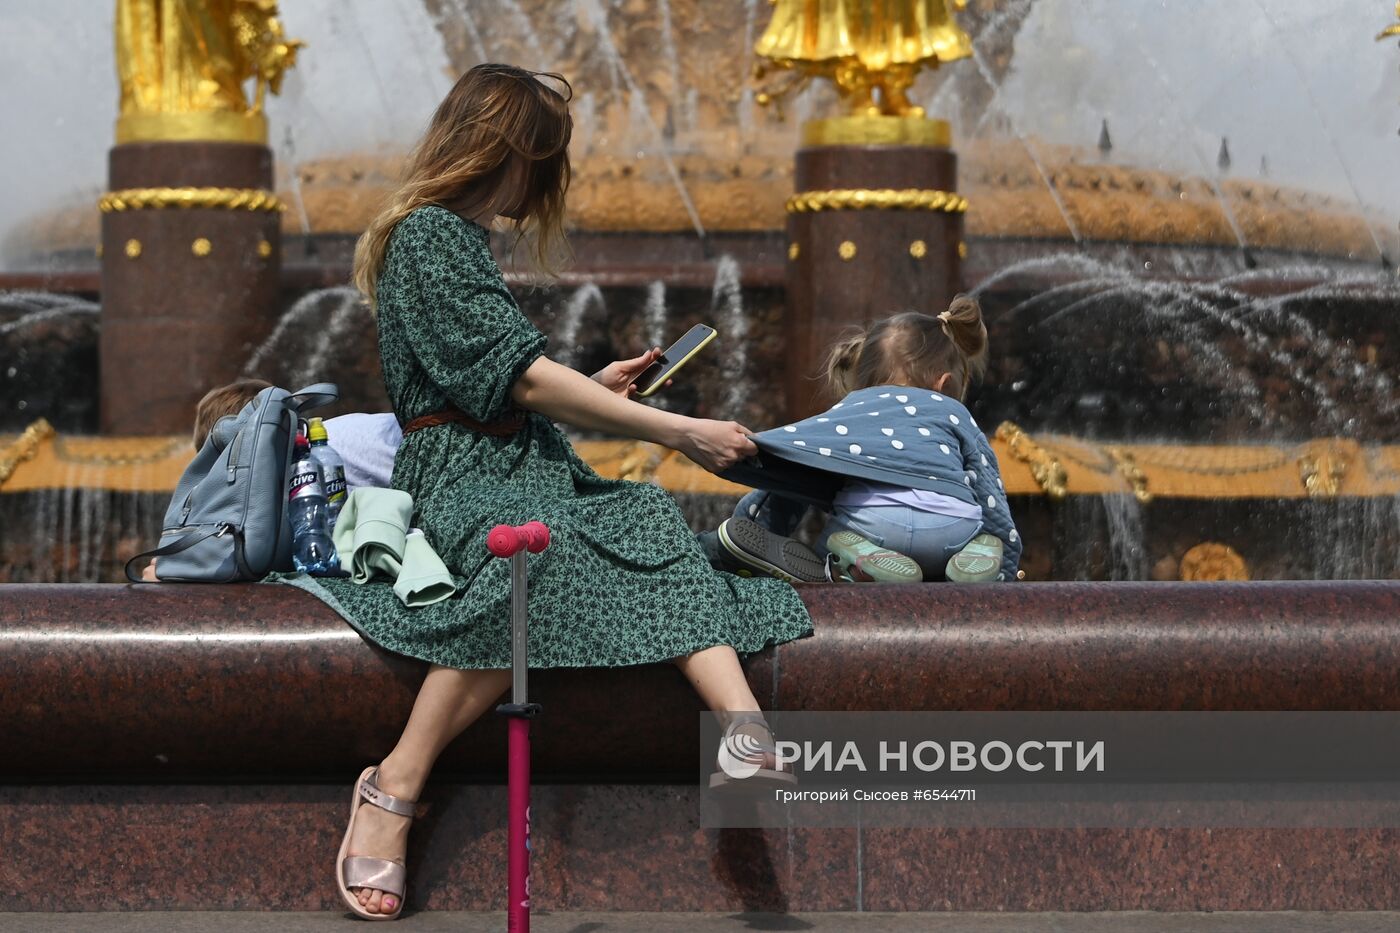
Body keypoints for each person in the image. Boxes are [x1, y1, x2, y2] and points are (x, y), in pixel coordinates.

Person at [280, 64, 811, 920]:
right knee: (536, 556)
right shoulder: (430, 235)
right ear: (508, 151)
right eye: (548, 158)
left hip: (521, 465)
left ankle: (747, 735)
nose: (550, 180)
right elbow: (518, 383)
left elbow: (495, 380)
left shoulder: (455, 238)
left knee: (640, 511)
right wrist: (681, 431)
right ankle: (393, 784)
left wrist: (596, 385)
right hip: (461, 480)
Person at [711, 299, 1022, 585]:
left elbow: (797, 466)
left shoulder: (853, 408)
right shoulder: (955, 412)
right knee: (971, 529)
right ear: (944, 384)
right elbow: (989, 494)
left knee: (826, 547)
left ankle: (852, 561)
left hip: (874, 525)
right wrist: (1005, 572)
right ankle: (976, 553)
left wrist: (750, 531)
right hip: (954, 528)